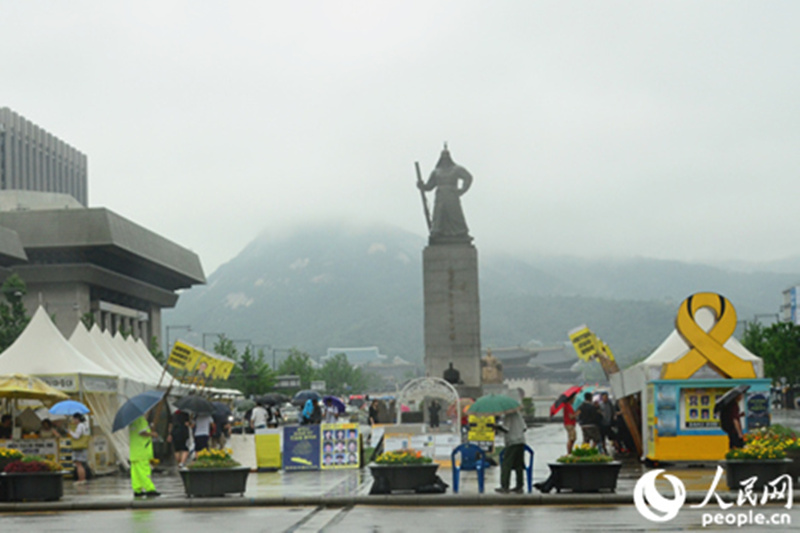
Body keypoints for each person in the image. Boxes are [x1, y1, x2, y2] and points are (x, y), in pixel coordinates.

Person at [417, 144, 473, 243]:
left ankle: (460, 233)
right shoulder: (436, 171)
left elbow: (468, 177)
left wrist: (462, 190)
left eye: (447, 156)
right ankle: (437, 232)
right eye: (443, 156)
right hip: (440, 197)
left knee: (455, 215)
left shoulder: (456, 169)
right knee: (439, 216)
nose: (445, 159)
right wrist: (422, 186)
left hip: (452, 196)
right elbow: (430, 186)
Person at [492, 409, 527, 494]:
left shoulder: (508, 415)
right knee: (519, 465)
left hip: (512, 442)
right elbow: (524, 428)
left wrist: (496, 427)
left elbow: (506, 429)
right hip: (521, 441)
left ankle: (505, 486)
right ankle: (519, 486)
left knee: (506, 465)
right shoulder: (518, 414)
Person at [129, 415, 159, 497]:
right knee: (145, 471)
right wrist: (152, 434)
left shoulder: (131, 421)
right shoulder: (141, 420)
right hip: (142, 450)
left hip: (134, 451)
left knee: (135, 473)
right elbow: (142, 432)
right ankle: (150, 489)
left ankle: (137, 490)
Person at [68, 413, 91, 484]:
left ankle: (81, 479)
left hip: (79, 447)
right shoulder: (84, 425)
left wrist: (70, 432)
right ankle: (82, 479)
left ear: (77, 419)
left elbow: (76, 436)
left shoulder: (80, 426)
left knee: (78, 464)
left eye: (74, 419)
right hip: (83, 446)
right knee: (80, 464)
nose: (73, 420)